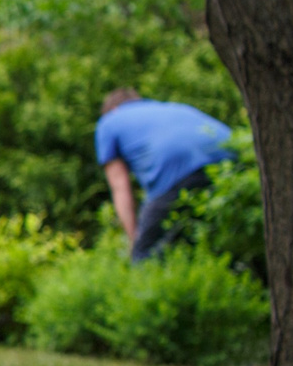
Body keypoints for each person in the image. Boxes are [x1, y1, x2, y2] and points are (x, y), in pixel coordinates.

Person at [95, 89, 237, 261]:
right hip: (232, 164)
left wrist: (134, 240)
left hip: (177, 171)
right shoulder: (172, 108)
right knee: (220, 241)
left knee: (145, 258)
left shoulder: (108, 122)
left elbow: (120, 186)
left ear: (114, 109)